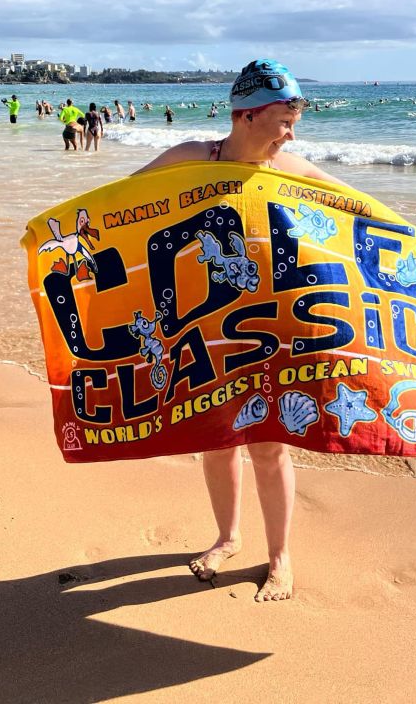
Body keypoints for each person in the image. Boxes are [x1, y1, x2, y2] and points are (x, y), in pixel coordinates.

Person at [135, 59, 337, 603]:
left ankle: (279, 559)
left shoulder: (293, 168)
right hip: (203, 326)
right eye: (285, 120)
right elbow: (123, 205)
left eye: (296, 120)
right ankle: (227, 537)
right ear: (246, 114)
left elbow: (359, 213)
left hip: (270, 326)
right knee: (215, 441)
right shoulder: (191, 159)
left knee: (269, 445)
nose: (292, 133)